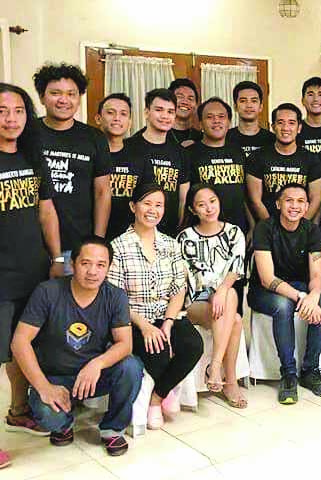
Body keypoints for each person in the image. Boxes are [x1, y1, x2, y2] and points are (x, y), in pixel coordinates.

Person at [11, 236, 143, 457]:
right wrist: (44, 387)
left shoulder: (115, 296)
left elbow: (125, 344)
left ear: (108, 268)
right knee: (47, 413)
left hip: (93, 375)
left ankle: (112, 429)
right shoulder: (48, 292)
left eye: (101, 265)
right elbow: (20, 341)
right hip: (55, 376)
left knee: (131, 367)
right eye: (85, 263)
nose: (92, 271)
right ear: (73, 264)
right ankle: (64, 425)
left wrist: (97, 364)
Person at [0, 83, 64, 467]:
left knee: (20, 345)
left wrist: (58, 259)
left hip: (33, 269)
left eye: (18, 111)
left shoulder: (31, 156)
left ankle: (18, 408)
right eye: (2, 111)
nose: (11, 119)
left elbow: (47, 213)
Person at [107, 183, 203, 430]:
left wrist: (169, 323)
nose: (153, 210)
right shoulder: (118, 247)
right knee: (157, 353)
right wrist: (145, 326)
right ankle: (160, 395)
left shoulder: (170, 244)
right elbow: (115, 297)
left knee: (193, 345)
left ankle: (157, 397)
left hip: (166, 314)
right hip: (134, 318)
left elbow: (178, 288)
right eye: (147, 203)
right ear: (133, 206)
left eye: (158, 205)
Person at [247, 183, 321, 404]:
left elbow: (316, 274)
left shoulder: (312, 230)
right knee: (283, 305)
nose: (294, 206)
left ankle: (310, 370)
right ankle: (288, 373)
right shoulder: (265, 228)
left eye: (300, 202)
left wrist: (313, 296)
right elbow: (267, 278)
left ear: (306, 207)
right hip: (264, 290)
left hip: (299, 286)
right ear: (278, 204)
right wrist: (301, 296)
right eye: (289, 200)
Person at [33, 63, 112, 271]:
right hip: (31, 244)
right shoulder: (27, 134)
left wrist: (97, 242)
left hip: (78, 247)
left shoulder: (94, 138)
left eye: (71, 94)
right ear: (42, 97)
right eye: (55, 93)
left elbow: (102, 192)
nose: (64, 100)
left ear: (79, 98)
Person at [177, 184, 246, 408]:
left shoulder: (234, 232)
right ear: (192, 209)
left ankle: (215, 367)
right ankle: (229, 380)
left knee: (233, 311)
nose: (209, 208)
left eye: (212, 201)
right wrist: (216, 291)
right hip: (195, 302)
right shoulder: (184, 237)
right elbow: (191, 278)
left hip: (223, 298)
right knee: (232, 312)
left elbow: (236, 268)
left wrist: (222, 290)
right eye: (201, 204)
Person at [124, 88, 190, 236]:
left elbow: (182, 200)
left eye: (170, 112)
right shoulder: (128, 147)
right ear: (146, 112)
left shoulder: (181, 153)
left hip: (168, 236)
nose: (165, 116)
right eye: (159, 110)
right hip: (130, 236)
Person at [246, 103, 321, 220]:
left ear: (299, 128)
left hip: (301, 229)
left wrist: (300, 228)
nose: (286, 128)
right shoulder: (257, 157)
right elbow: (255, 200)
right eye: (280, 123)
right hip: (267, 228)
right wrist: (270, 228)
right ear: (273, 127)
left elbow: (316, 198)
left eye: (291, 123)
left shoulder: (311, 159)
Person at [186, 97, 250, 234]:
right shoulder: (190, 154)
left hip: (238, 230)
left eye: (221, 116)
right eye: (210, 117)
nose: (216, 121)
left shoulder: (238, 152)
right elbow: (185, 197)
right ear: (201, 124)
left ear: (229, 122)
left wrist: (252, 225)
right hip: (202, 232)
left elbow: (244, 195)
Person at [95, 93, 146, 240]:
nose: (117, 118)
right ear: (98, 118)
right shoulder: (88, 155)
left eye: (123, 114)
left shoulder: (139, 157)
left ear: (130, 122)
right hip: (91, 238)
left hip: (128, 240)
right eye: (110, 113)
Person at [227, 80, 275, 157]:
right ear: (235, 106)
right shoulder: (225, 138)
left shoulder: (272, 140)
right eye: (243, 101)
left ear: (261, 107)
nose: (249, 105)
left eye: (254, 101)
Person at [167, 78, 202, 145]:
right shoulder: (157, 135)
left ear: (196, 106)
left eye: (190, 99)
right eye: (180, 97)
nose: (185, 102)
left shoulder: (203, 138)